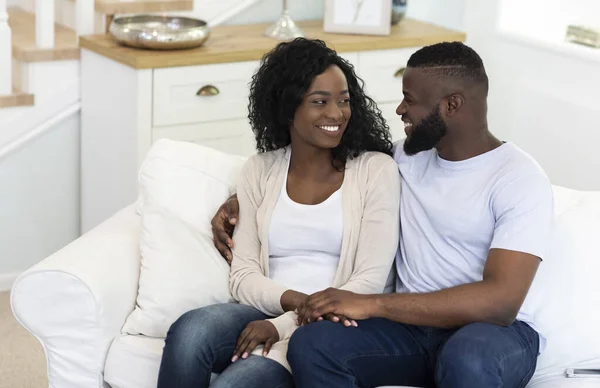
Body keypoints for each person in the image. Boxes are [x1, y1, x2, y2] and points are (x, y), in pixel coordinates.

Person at [211, 41, 555, 388]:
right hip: (410, 334)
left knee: (466, 359)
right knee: (313, 343)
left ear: (452, 105)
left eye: (411, 100)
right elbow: (328, 170)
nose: (400, 110)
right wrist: (241, 199)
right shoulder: (406, 156)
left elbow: (501, 302)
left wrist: (373, 304)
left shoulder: (518, 178)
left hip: (492, 334)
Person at [157, 38, 401, 388]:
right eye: (320, 102)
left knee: (236, 384)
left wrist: (285, 323)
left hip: (334, 326)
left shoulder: (375, 171)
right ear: (288, 108)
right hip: (269, 308)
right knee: (190, 331)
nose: (337, 114)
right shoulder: (260, 170)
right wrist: (295, 304)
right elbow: (243, 276)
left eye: (344, 101)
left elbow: (367, 283)